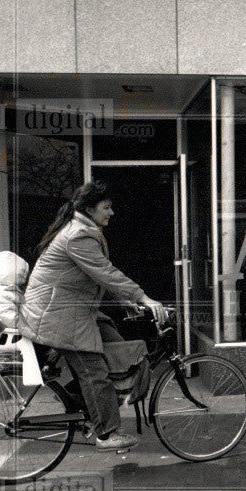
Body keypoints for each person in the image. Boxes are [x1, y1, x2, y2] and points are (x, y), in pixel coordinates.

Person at [22, 180, 167, 451]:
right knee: (96, 371)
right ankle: (106, 433)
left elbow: (94, 275)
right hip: (57, 316)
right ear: (89, 208)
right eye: (107, 207)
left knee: (115, 346)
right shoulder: (78, 234)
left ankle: (86, 404)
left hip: (71, 310)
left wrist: (123, 299)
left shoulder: (84, 228)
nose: (111, 213)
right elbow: (105, 272)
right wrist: (142, 296)